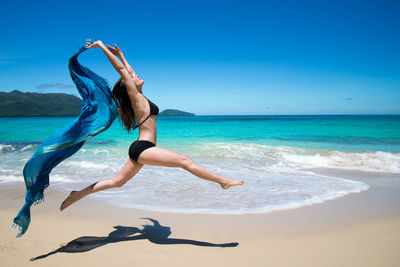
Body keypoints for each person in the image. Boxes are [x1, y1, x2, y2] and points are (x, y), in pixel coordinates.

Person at [60, 40, 244, 211]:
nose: (136, 75)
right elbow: (122, 71)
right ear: (129, 85)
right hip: (143, 148)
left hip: (142, 148)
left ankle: (79, 194)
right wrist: (102, 47)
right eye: (133, 77)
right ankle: (223, 181)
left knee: (117, 181)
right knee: (185, 161)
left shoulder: (140, 95)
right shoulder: (136, 97)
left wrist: (122, 54)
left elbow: (129, 72)